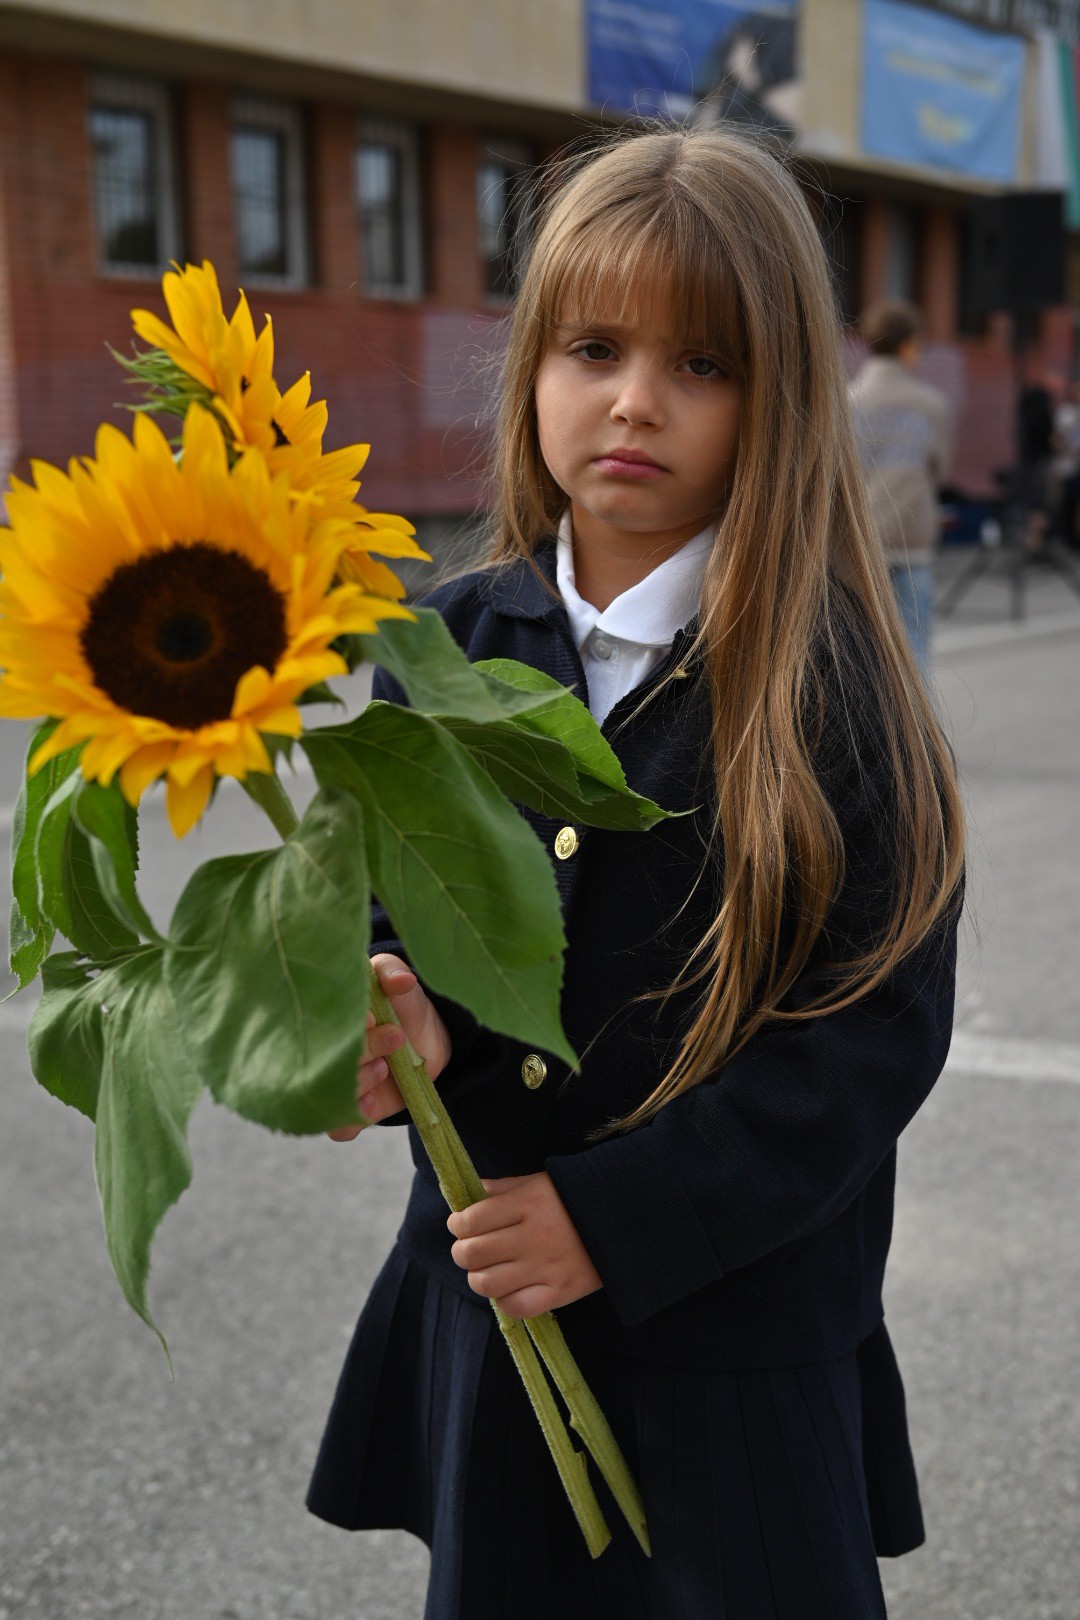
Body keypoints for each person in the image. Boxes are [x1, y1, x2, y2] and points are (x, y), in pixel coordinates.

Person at [306, 126, 965, 1620]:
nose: (634, 402)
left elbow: (866, 1046)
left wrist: (619, 1218)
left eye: (703, 365)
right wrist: (397, 1008)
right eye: (593, 346)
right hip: (501, 1319)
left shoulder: (830, 691)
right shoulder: (447, 642)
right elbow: (390, 904)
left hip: (733, 1344)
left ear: (781, 394)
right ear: (531, 361)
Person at [849, 299, 953, 683]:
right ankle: (919, 739)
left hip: (859, 544)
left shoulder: (845, 402)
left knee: (860, 652)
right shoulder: (931, 405)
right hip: (913, 540)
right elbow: (939, 468)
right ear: (909, 345)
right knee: (915, 650)